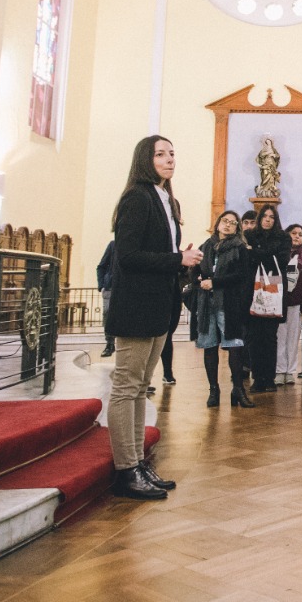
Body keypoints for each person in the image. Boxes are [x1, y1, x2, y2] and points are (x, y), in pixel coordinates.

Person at [104, 135, 201, 500]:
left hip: (160, 305)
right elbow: (127, 255)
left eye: (172, 153)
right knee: (126, 388)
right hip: (136, 307)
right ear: (145, 160)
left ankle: (137, 462)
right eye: (160, 154)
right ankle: (125, 469)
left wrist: (180, 258)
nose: (169, 159)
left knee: (141, 388)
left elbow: (156, 252)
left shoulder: (166, 200)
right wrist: (178, 260)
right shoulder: (137, 197)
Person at [195, 210, 250, 409]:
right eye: (225, 221)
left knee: (235, 347)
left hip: (229, 303)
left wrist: (215, 282)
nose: (227, 225)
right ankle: (213, 390)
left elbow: (242, 275)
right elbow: (197, 271)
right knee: (209, 347)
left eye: (233, 223)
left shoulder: (240, 248)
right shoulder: (206, 246)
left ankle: (238, 389)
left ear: (237, 228)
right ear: (218, 223)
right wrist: (197, 278)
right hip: (207, 303)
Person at [242, 204, 290, 394]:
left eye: (272, 217)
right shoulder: (250, 236)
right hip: (252, 290)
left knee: (270, 337)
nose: (268, 220)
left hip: (274, 289)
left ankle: (269, 378)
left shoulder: (283, 237)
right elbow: (247, 260)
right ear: (260, 218)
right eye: (265, 216)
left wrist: (255, 252)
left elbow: (282, 261)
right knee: (253, 337)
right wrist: (264, 254)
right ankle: (257, 379)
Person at [275, 223, 302, 384]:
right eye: (293, 233)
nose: (297, 236)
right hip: (279, 301)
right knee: (280, 336)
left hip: (296, 301)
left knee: (293, 337)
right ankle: (280, 370)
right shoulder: (280, 253)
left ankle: (290, 371)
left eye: (300, 234)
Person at [96, 240, 116, 357]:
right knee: (107, 313)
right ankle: (109, 343)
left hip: (124, 286)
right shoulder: (113, 245)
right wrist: (101, 285)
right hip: (110, 286)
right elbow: (101, 266)